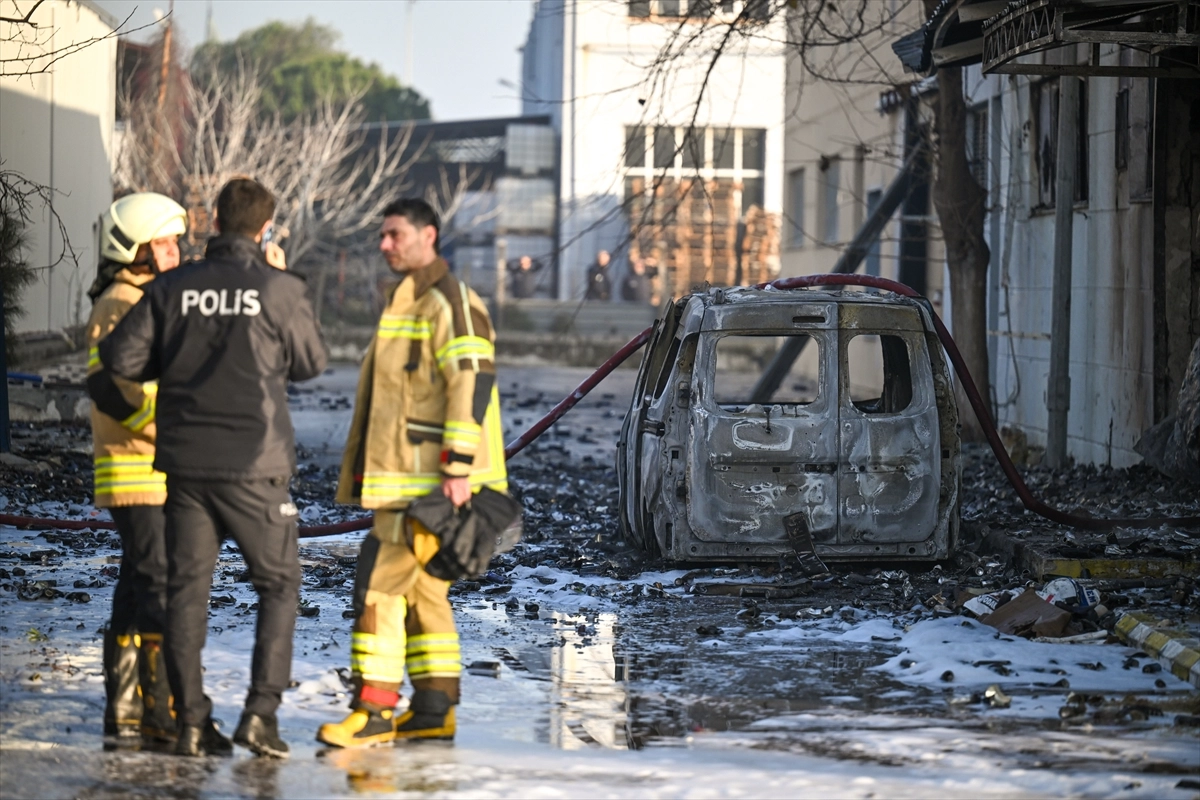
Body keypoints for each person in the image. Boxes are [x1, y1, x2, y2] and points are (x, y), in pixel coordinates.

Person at [99, 178, 327, 759]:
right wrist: (282, 283)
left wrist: (181, 359)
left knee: (185, 594)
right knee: (279, 586)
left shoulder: (174, 286)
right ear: (264, 230)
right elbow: (310, 363)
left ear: (215, 223)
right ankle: (259, 716)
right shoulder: (278, 289)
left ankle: (192, 724)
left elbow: (119, 359)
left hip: (184, 470)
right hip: (256, 468)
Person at [316, 198, 508, 748]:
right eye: (383, 235)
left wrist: (457, 465)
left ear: (429, 235)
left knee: (376, 590)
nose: (385, 245)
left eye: (394, 234)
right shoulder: (410, 300)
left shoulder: (451, 302)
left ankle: (373, 712)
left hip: (428, 485)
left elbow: (472, 381)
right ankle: (432, 710)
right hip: (411, 483)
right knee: (425, 595)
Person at [85, 192, 187, 743]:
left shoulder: (142, 296)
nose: (174, 252)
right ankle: (159, 709)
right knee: (158, 585)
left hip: (150, 468)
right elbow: (119, 392)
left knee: (134, 585)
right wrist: (180, 426)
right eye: (165, 242)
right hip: (136, 469)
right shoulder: (121, 304)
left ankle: (125, 708)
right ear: (136, 245)